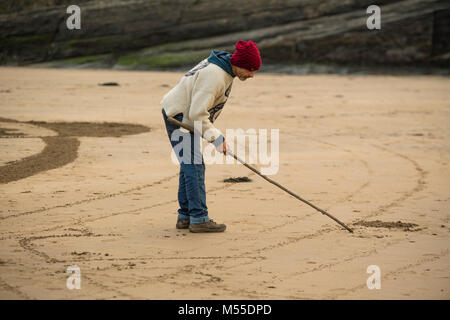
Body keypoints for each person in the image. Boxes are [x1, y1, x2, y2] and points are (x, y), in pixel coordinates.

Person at [161, 40, 262, 233]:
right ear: (238, 63)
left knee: (190, 164)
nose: (251, 75)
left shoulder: (225, 68)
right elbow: (198, 113)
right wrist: (217, 138)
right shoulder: (215, 75)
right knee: (194, 165)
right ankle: (199, 218)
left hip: (185, 114)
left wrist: (213, 136)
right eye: (250, 69)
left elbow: (198, 112)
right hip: (179, 117)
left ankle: (186, 216)